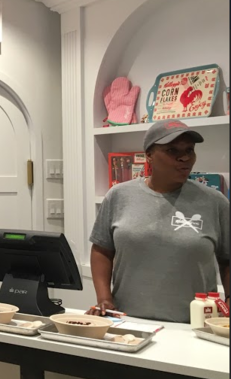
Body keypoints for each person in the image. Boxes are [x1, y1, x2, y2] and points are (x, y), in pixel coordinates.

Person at [87, 120, 230, 322]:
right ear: (149, 155)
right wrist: (104, 298)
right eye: (172, 150)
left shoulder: (215, 202)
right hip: (128, 321)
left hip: (194, 326)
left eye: (189, 150)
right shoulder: (119, 196)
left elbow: (227, 259)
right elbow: (102, 249)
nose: (184, 158)